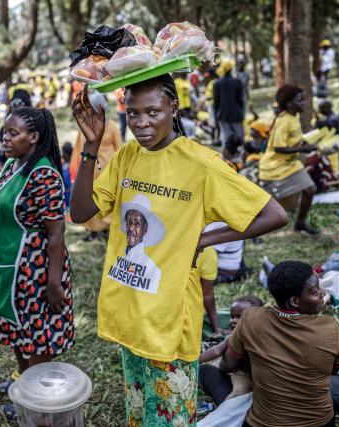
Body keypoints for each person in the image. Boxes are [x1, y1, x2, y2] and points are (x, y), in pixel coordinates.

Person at [71, 74, 288, 426]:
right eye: (134, 113)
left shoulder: (199, 163)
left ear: (173, 107)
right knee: (140, 416)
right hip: (132, 314)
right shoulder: (127, 156)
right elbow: (80, 213)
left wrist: (204, 240)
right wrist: (91, 144)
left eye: (153, 111)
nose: (142, 123)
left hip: (170, 321)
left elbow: (274, 214)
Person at [0, 107, 74, 416]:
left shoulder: (43, 174)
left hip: (35, 270)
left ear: (34, 137)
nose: (5, 138)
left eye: (13, 133)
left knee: (36, 338)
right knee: (19, 332)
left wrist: (53, 283)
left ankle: (41, 408)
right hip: (10, 267)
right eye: (5, 132)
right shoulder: (13, 165)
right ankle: (25, 390)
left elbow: (56, 233)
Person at [220, 261, 339, 427]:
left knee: (209, 373)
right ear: (294, 301)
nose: (323, 293)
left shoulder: (251, 318)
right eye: (316, 291)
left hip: (263, 423)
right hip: (319, 423)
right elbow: (334, 369)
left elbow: (228, 364)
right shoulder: (329, 328)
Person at [259, 85, 320, 235]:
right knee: (262, 203)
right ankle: (251, 230)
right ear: (288, 103)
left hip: (291, 164)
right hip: (274, 167)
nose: (304, 103)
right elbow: (278, 148)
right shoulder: (283, 121)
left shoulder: (294, 116)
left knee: (310, 189)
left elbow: (292, 140)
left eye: (303, 99)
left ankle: (300, 223)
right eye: (300, 100)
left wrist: (305, 143)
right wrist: (302, 150)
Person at [70, 100, 122, 241]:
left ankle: (106, 230)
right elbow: (80, 145)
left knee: (105, 200)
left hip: (106, 170)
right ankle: (93, 231)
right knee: (87, 199)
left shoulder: (112, 127)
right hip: (89, 170)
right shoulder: (85, 127)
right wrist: (77, 165)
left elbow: (119, 148)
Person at [199, 296, 264, 406]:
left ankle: (226, 410)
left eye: (239, 317)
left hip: (247, 382)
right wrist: (195, 360)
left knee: (236, 396)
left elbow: (217, 352)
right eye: (231, 316)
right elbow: (215, 351)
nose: (233, 320)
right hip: (243, 382)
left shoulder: (253, 340)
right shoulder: (231, 337)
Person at [214, 59, 245, 144]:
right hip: (236, 114)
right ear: (231, 69)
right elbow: (241, 100)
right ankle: (241, 153)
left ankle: (225, 155)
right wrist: (242, 113)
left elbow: (216, 103)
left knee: (225, 137)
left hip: (223, 115)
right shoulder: (237, 82)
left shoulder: (217, 83)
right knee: (239, 136)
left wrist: (216, 116)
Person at [197, 246, 221, 335]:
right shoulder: (207, 250)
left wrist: (216, 327)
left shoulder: (206, 251)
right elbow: (207, 294)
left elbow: (207, 294)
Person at [61, 142, 73, 208]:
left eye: (64, 153)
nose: (62, 154)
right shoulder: (62, 164)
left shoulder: (72, 166)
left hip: (69, 196)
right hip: (63, 195)